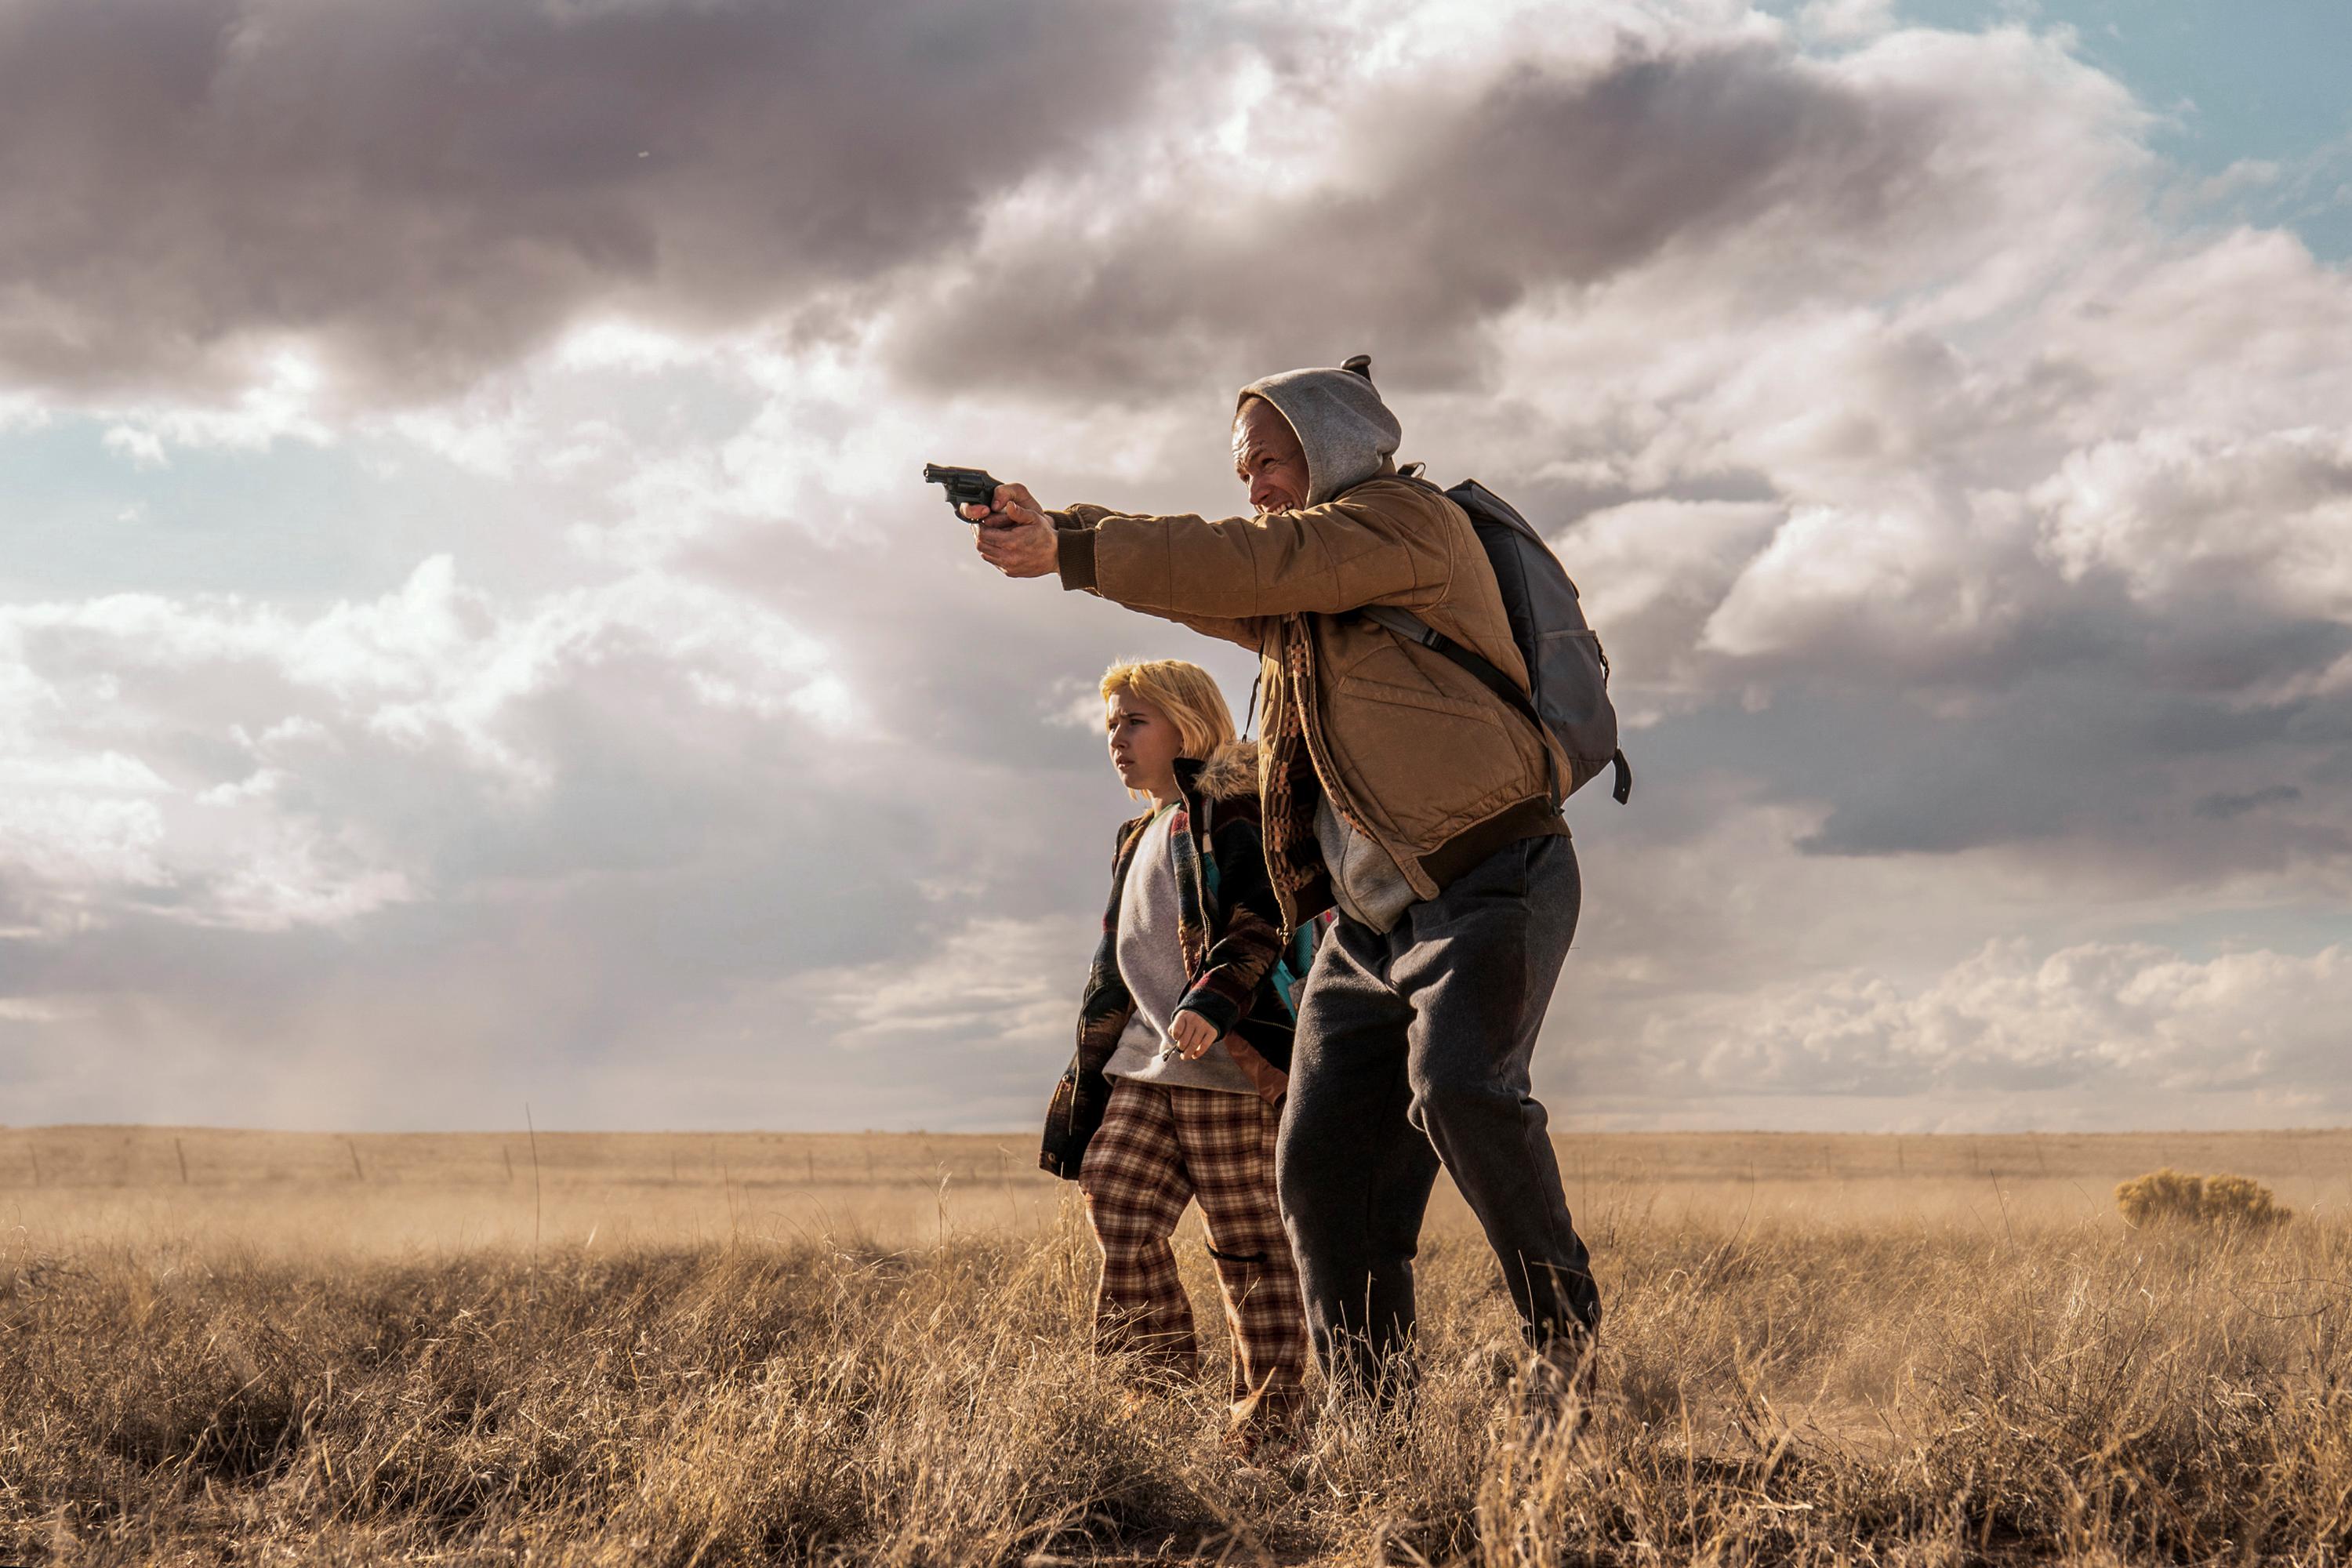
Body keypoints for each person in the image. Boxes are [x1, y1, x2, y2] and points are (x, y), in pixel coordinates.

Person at [973, 357, 1600, 1413]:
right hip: (1368, 925)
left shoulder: (1406, 525)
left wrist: (1071, 548)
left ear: (1335, 446)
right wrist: (1061, 529)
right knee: (1319, 1175)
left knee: (1460, 1090)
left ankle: (1563, 1342)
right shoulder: (1306, 605)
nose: (1256, 485)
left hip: (1491, 873)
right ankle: (1373, 1426)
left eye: (1271, 460)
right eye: (1244, 470)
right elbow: (1215, 578)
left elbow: (1254, 562)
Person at [1037, 658, 1309, 1447]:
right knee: (1115, 1196)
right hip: (1146, 1065)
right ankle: (1153, 1401)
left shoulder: (1232, 806)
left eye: (1135, 721)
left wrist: (1214, 1000)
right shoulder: (1137, 834)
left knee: (1251, 1249)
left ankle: (1269, 1431)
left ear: (1187, 724)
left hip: (1230, 1070)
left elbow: (1265, 913)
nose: (1116, 738)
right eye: (1111, 725)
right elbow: (1119, 966)